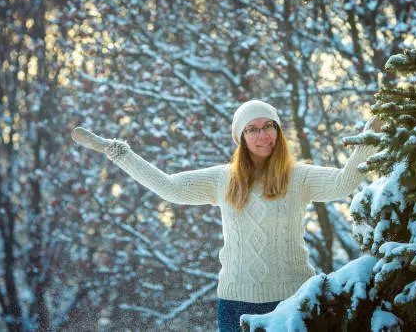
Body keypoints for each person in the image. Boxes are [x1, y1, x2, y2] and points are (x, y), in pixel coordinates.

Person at [71, 99, 382, 332]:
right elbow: (169, 188)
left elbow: (344, 182)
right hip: (236, 304)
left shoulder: (298, 177)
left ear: (278, 131)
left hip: (294, 298)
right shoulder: (223, 179)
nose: (263, 135)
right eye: (253, 129)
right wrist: (118, 152)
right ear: (241, 138)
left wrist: (371, 133)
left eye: (269, 126)